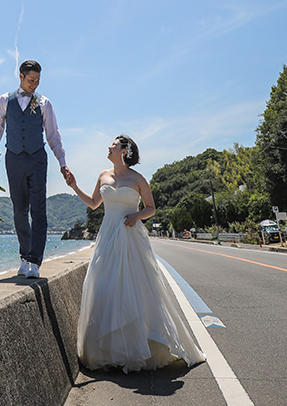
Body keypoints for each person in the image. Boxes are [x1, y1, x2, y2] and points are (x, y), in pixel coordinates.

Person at [65, 135, 206, 373]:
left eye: (113, 144)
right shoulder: (103, 175)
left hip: (131, 237)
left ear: (124, 151)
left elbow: (151, 208)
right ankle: (110, 350)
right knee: (103, 286)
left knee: (135, 288)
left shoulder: (138, 178)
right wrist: (73, 185)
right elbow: (93, 203)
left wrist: (136, 216)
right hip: (108, 237)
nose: (109, 146)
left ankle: (140, 346)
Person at [0, 59, 70, 279]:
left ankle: (35, 261)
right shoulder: (4, 101)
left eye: (38, 81)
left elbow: (53, 135)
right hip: (14, 159)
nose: (35, 85)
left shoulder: (44, 103)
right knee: (19, 209)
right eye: (31, 80)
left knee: (38, 210)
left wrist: (63, 163)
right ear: (20, 76)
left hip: (38, 159)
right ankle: (24, 256)